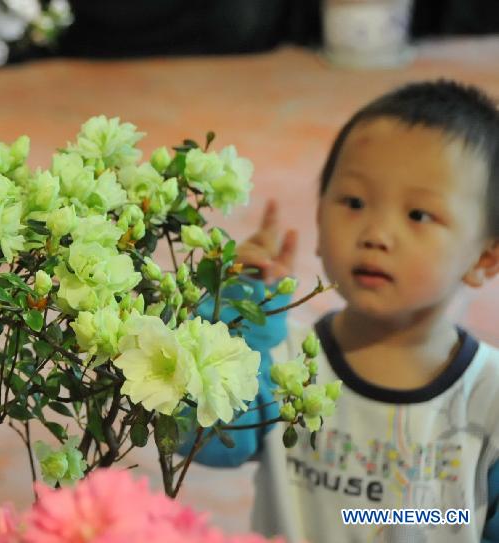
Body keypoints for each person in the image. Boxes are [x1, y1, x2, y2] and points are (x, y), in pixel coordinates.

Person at [185, 80, 499, 542]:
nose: (376, 232)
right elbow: (207, 445)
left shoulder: (489, 398)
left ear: (484, 258)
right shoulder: (282, 356)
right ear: (318, 215)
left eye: (418, 215)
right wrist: (241, 319)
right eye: (353, 202)